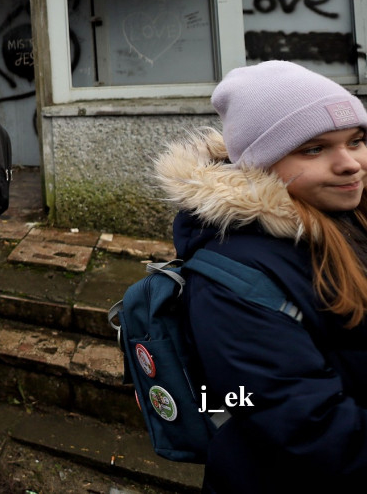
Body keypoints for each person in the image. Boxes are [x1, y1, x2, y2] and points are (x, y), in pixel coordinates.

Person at [154, 60, 367, 493]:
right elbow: (311, 428)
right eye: (313, 148)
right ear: (262, 163)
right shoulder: (232, 278)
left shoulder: (350, 217)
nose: (349, 164)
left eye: (357, 140)